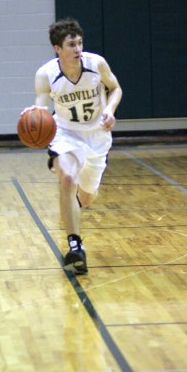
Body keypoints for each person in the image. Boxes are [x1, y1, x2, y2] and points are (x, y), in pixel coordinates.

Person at [22, 18, 122, 274]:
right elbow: (42, 107)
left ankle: (74, 206)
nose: (77, 49)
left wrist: (110, 110)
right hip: (66, 134)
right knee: (66, 177)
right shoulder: (46, 74)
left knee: (86, 199)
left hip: (97, 137)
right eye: (71, 44)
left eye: (79, 43)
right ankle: (75, 245)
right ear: (58, 48)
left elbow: (115, 88)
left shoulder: (95, 64)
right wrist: (33, 115)